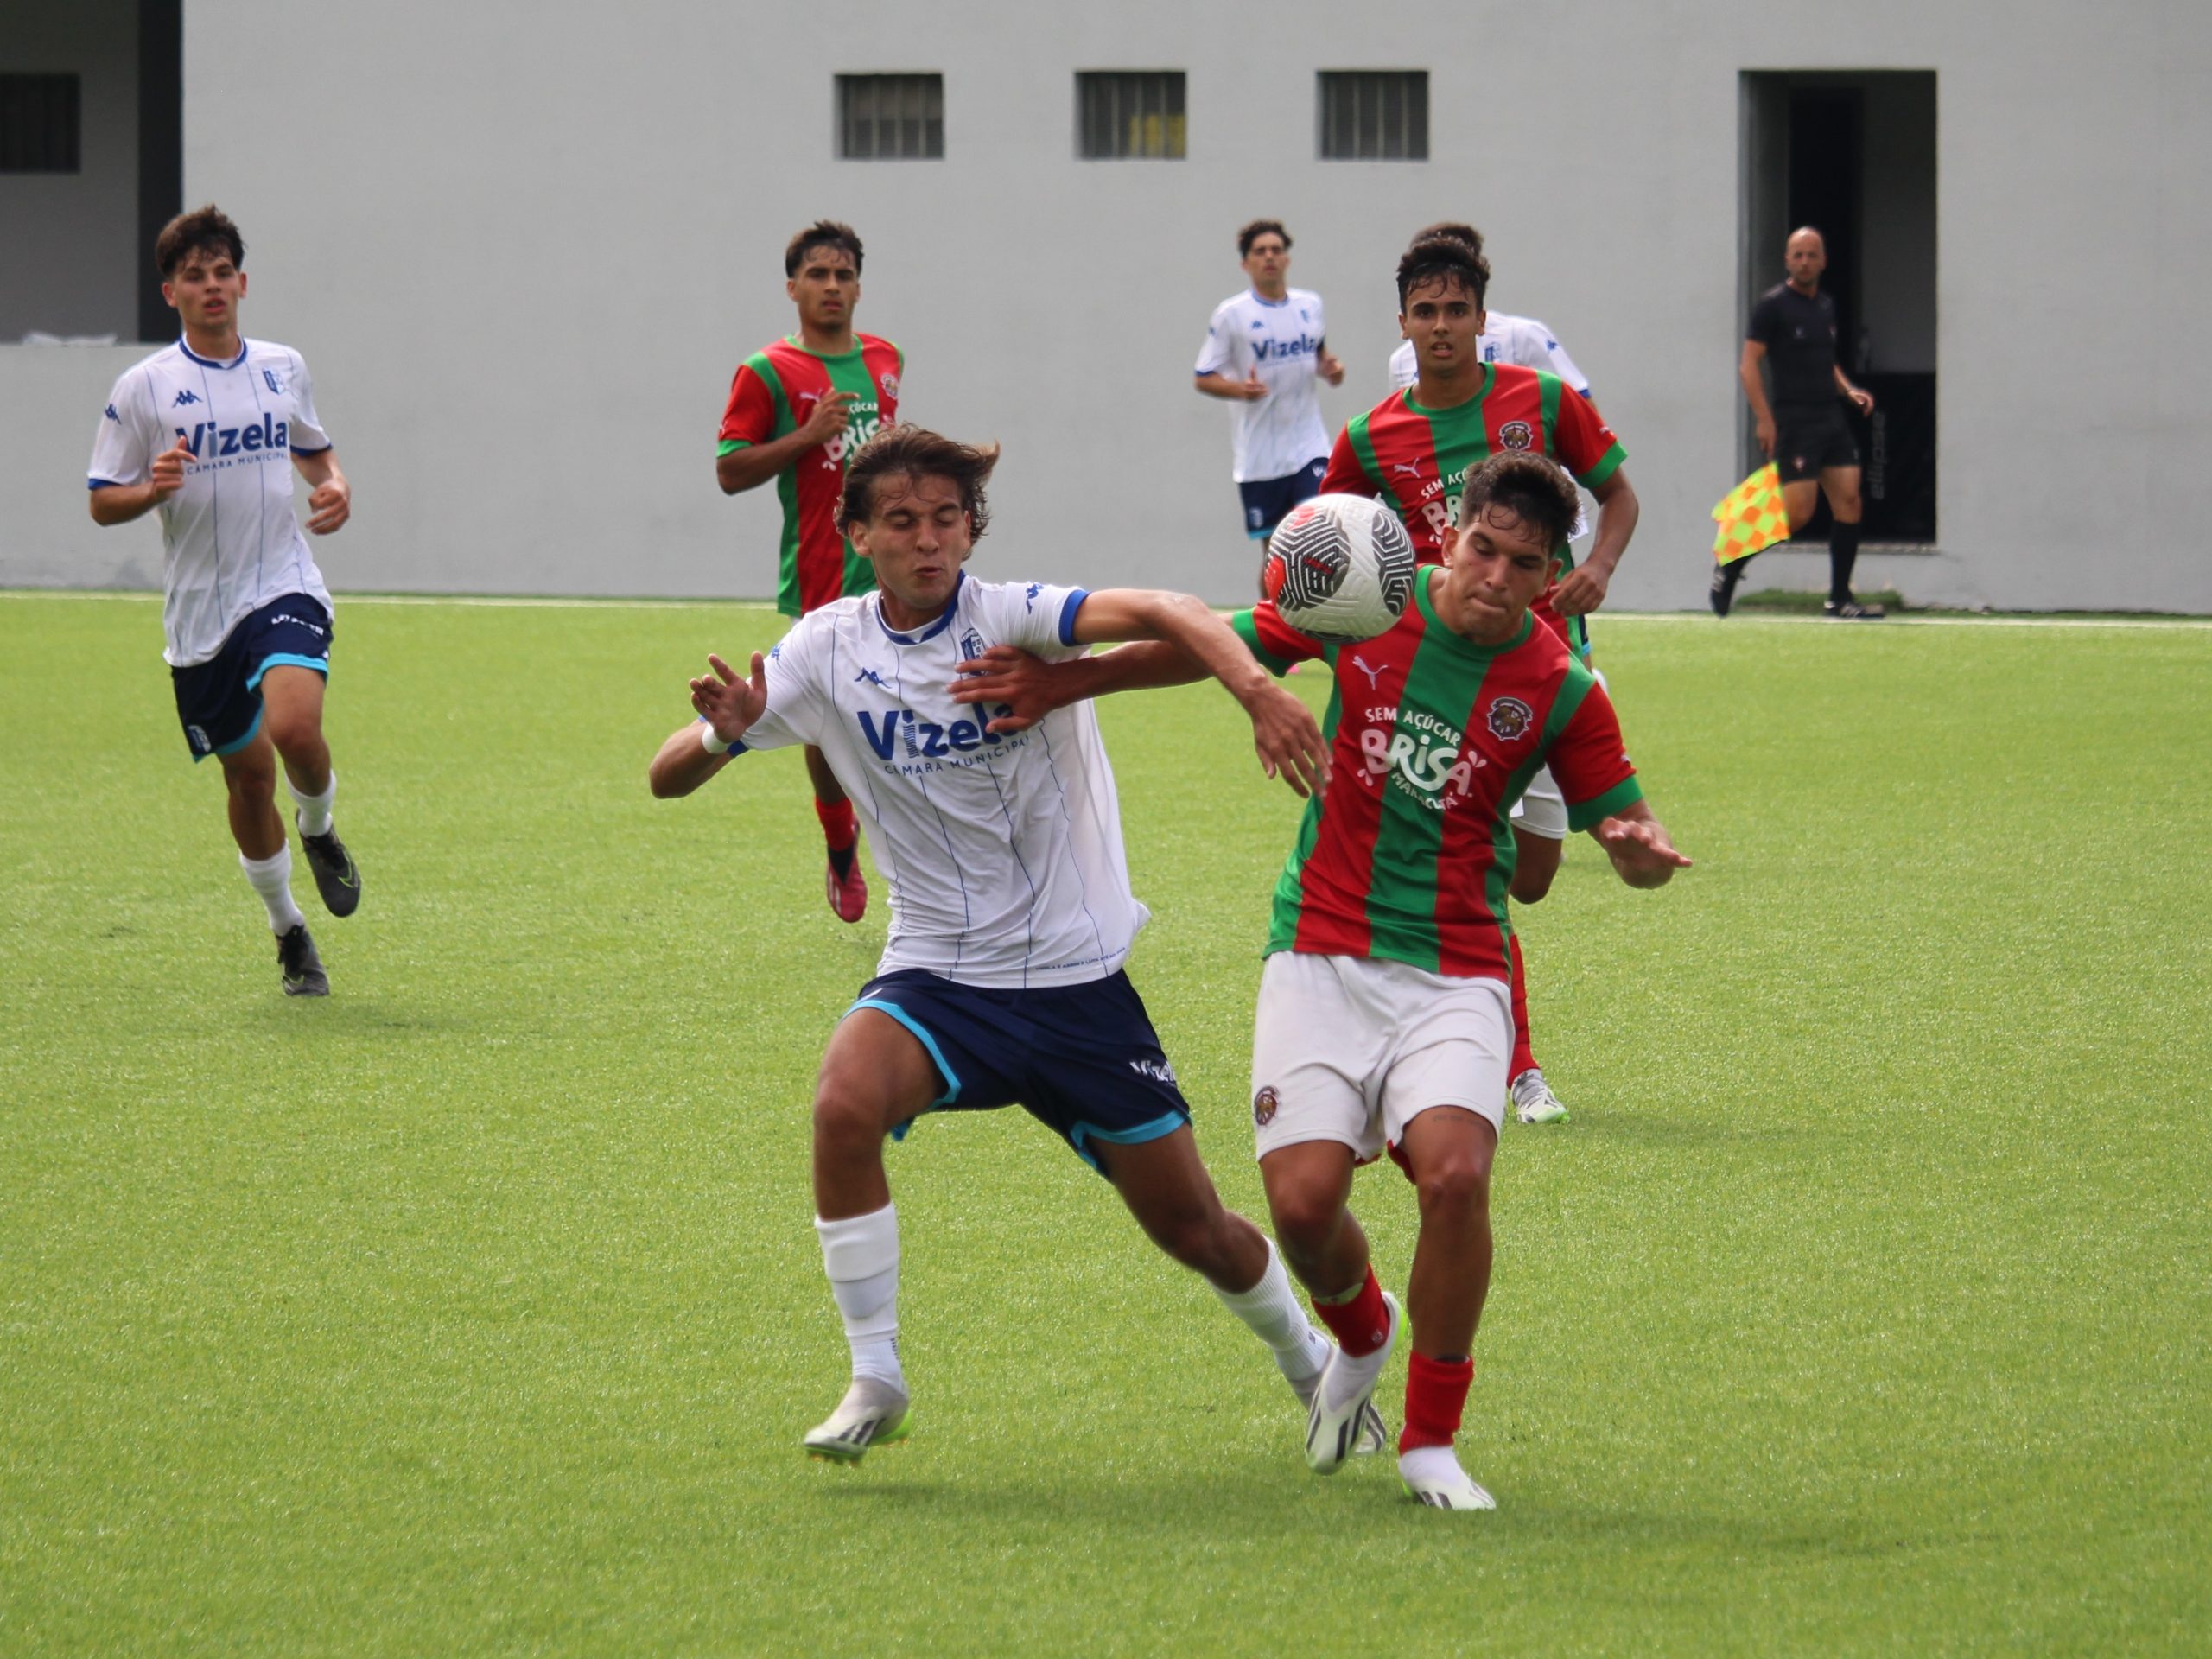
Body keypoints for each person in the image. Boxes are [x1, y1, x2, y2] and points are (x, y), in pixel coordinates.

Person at [951, 453, 1691, 1509]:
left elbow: (1619, 823)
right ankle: (1361, 1329)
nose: (1494, 576)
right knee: (1300, 1210)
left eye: (1522, 564)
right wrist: (1067, 679)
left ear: (1546, 574)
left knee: (1455, 1177)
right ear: (1452, 534)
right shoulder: (1368, 605)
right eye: (1482, 547)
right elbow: (1215, 648)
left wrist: (1633, 849)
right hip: (1320, 950)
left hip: (1454, 971)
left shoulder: (1566, 689)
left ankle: (1432, 1441)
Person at [649, 426, 1383, 1467]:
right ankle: (877, 1375)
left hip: (1076, 987)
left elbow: (1172, 614)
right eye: (900, 522)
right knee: (841, 1103)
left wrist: (1260, 692)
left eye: (947, 519)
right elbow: (663, 775)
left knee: (1196, 1231)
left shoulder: (1013, 618)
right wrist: (725, 731)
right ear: (855, 534)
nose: (927, 540)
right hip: (937, 973)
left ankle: (1309, 1359)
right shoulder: (824, 646)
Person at [1322, 233, 1640, 1128]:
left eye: (1455, 311)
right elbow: (1328, 534)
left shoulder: (1538, 402)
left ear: (1480, 320)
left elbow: (1619, 495)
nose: (1441, 328)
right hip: (1433, 687)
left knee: (1528, 880)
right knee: (1465, 874)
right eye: (1424, 312)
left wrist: (1601, 569)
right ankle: (1513, 1067)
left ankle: (1459, 1026)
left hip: (1544, 677)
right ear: (1403, 325)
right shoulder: (1371, 436)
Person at [86, 205, 359, 997]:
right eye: (193, 277)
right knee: (248, 783)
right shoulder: (143, 388)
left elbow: (313, 448)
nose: (211, 287)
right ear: (170, 291)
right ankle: (288, 930)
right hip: (200, 618)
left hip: (281, 579)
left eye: (221, 274)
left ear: (242, 282)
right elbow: (103, 500)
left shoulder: (282, 366)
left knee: (296, 728)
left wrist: (336, 484)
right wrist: (150, 489)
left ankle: (320, 830)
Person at [716, 219, 904, 923]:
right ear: (792, 287)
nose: (833, 286)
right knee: (827, 722)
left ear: (859, 285)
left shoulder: (886, 358)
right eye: (818, 275)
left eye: (844, 274)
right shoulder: (767, 371)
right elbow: (730, 470)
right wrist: (806, 437)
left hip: (890, 563)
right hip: (822, 573)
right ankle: (839, 843)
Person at [1716, 226, 1883, 620]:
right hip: (1796, 421)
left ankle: (1840, 598)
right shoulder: (1772, 307)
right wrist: (1764, 419)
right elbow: (1748, 364)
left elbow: (1825, 362)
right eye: (1798, 255)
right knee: (1797, 514)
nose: (1805, 261)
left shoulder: (1825, 306)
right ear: (1787, 261)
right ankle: (1731, 565)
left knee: (1850, 500)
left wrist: (1848, 390)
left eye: (1812, 255)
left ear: (1823, 261)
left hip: (1831, 417)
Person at [1193, 219, 1346, 581]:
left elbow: (1320, 356)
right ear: (1245, 264)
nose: (1270, 257)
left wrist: (1331, 369)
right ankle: (1271, 630)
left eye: (1277, 250)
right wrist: (1239, 390)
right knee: (1276, 552)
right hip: (1260, 455)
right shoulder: (1232, 315)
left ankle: (1320, 623)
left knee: (1316, 531)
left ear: (1287, 259)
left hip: (1310, 444)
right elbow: (1203, 377)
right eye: (1260, 252)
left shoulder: (1310, 306)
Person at [1385, 224, 1592, 401]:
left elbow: (1583, 416)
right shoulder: (1400, 361)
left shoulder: (1522, 335)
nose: (1440, 326)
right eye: (1425, 312)